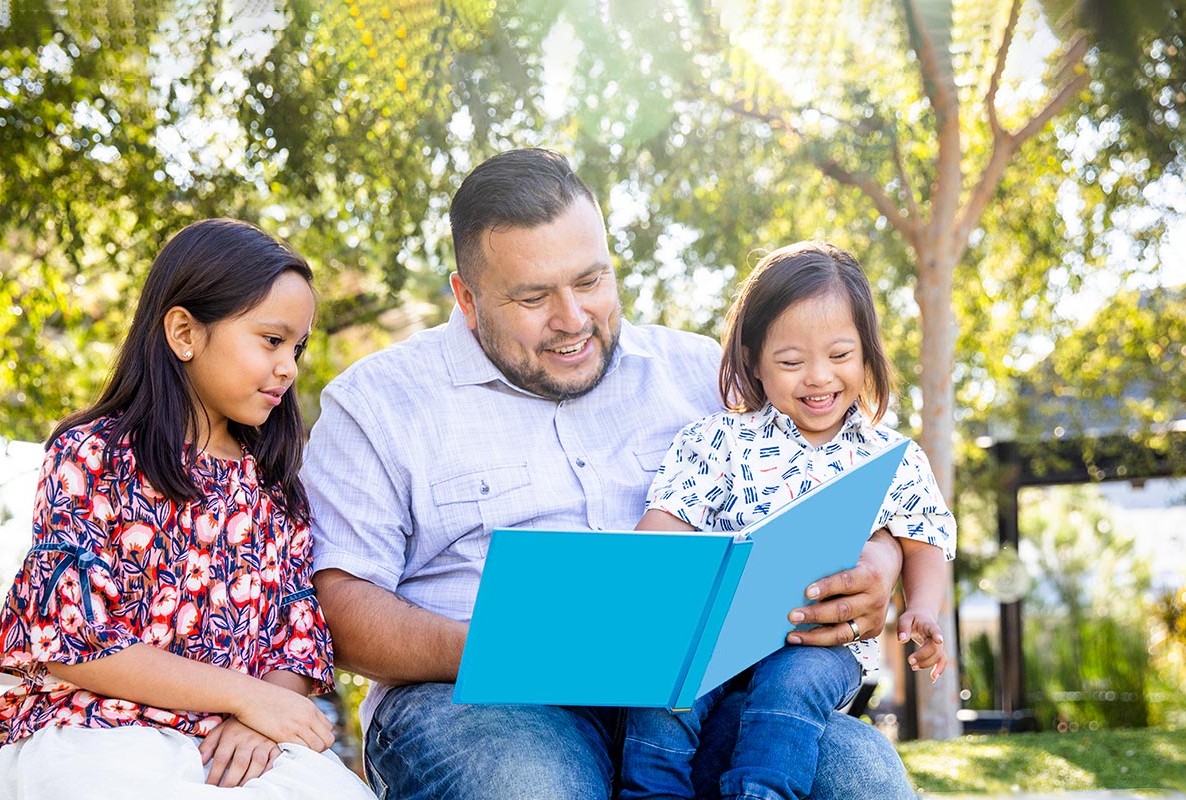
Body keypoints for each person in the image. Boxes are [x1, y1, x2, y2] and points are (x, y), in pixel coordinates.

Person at [304, 148, 919, 800]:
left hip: (695, 698)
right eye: (534, 297)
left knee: (859, 775)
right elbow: (338, 606)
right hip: (475, 701)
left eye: (591, 281)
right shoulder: (376, 402)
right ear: (466, 298)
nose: (572, 319)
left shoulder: (699, 372)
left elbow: (833, 471)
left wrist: (876, 566)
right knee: (530, 789)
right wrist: (512, 647)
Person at [0, 219, 375, 799]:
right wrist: (244, 694)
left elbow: (296, 633)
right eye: (271, 340)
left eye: (298, 348)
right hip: (100, 734)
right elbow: (72, 638)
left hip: (231, 746)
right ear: (184, 332)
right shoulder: (92, 456)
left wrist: (261, 714)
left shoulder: (273, 484)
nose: (289, 366)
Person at [620, 241, 956, 800]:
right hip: (718, 636)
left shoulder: (889, 454)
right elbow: (664, 530)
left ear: (868, 353)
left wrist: (921, 609)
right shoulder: (717, 442)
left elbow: (925, 540)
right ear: (753, 360)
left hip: (819, 641)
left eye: (841, 355)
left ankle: (762, 791)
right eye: (792, 362)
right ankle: (652, 792)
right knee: (666, 684)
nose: (819, 378)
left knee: (790, 686)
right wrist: (637, 583)